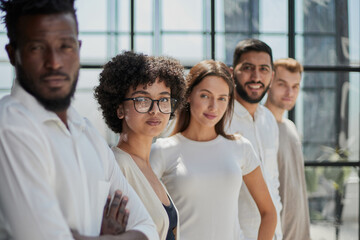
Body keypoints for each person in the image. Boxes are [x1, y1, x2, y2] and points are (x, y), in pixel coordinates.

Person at [0, 1, 158, 239]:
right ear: (13, 54)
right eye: (37, 47)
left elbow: (148, 228)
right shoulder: (9, 127)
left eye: (65, 46)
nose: (54, 62)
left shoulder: (87, 133)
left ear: (78, 48)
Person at [150, 60, 277, 240]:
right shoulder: (162, 150)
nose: (214, 107)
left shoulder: (241, 147)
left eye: (222, 98)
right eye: (205, 96)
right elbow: (147, 217)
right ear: (188, 95)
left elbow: (269, 212)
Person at [94, 51, 186, 240]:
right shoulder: (117, 167)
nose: (155, 110)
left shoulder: (146, 166)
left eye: (163, 100)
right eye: (142, 100)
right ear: (120, 109)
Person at [228, 39, 282, 240]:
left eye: (264, 69)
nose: (256, 76)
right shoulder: (219, 120)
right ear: (233, 73)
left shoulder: (269, 119)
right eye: (248, 68)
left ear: (272, 75)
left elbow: (273, 181)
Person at [264, 58, 311, 240]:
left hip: (299, 232)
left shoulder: (290, 127)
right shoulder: (260, 127)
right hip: (277, 233)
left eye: (296, 86)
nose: (290, 92)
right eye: (282, 84)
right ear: (269, 83)